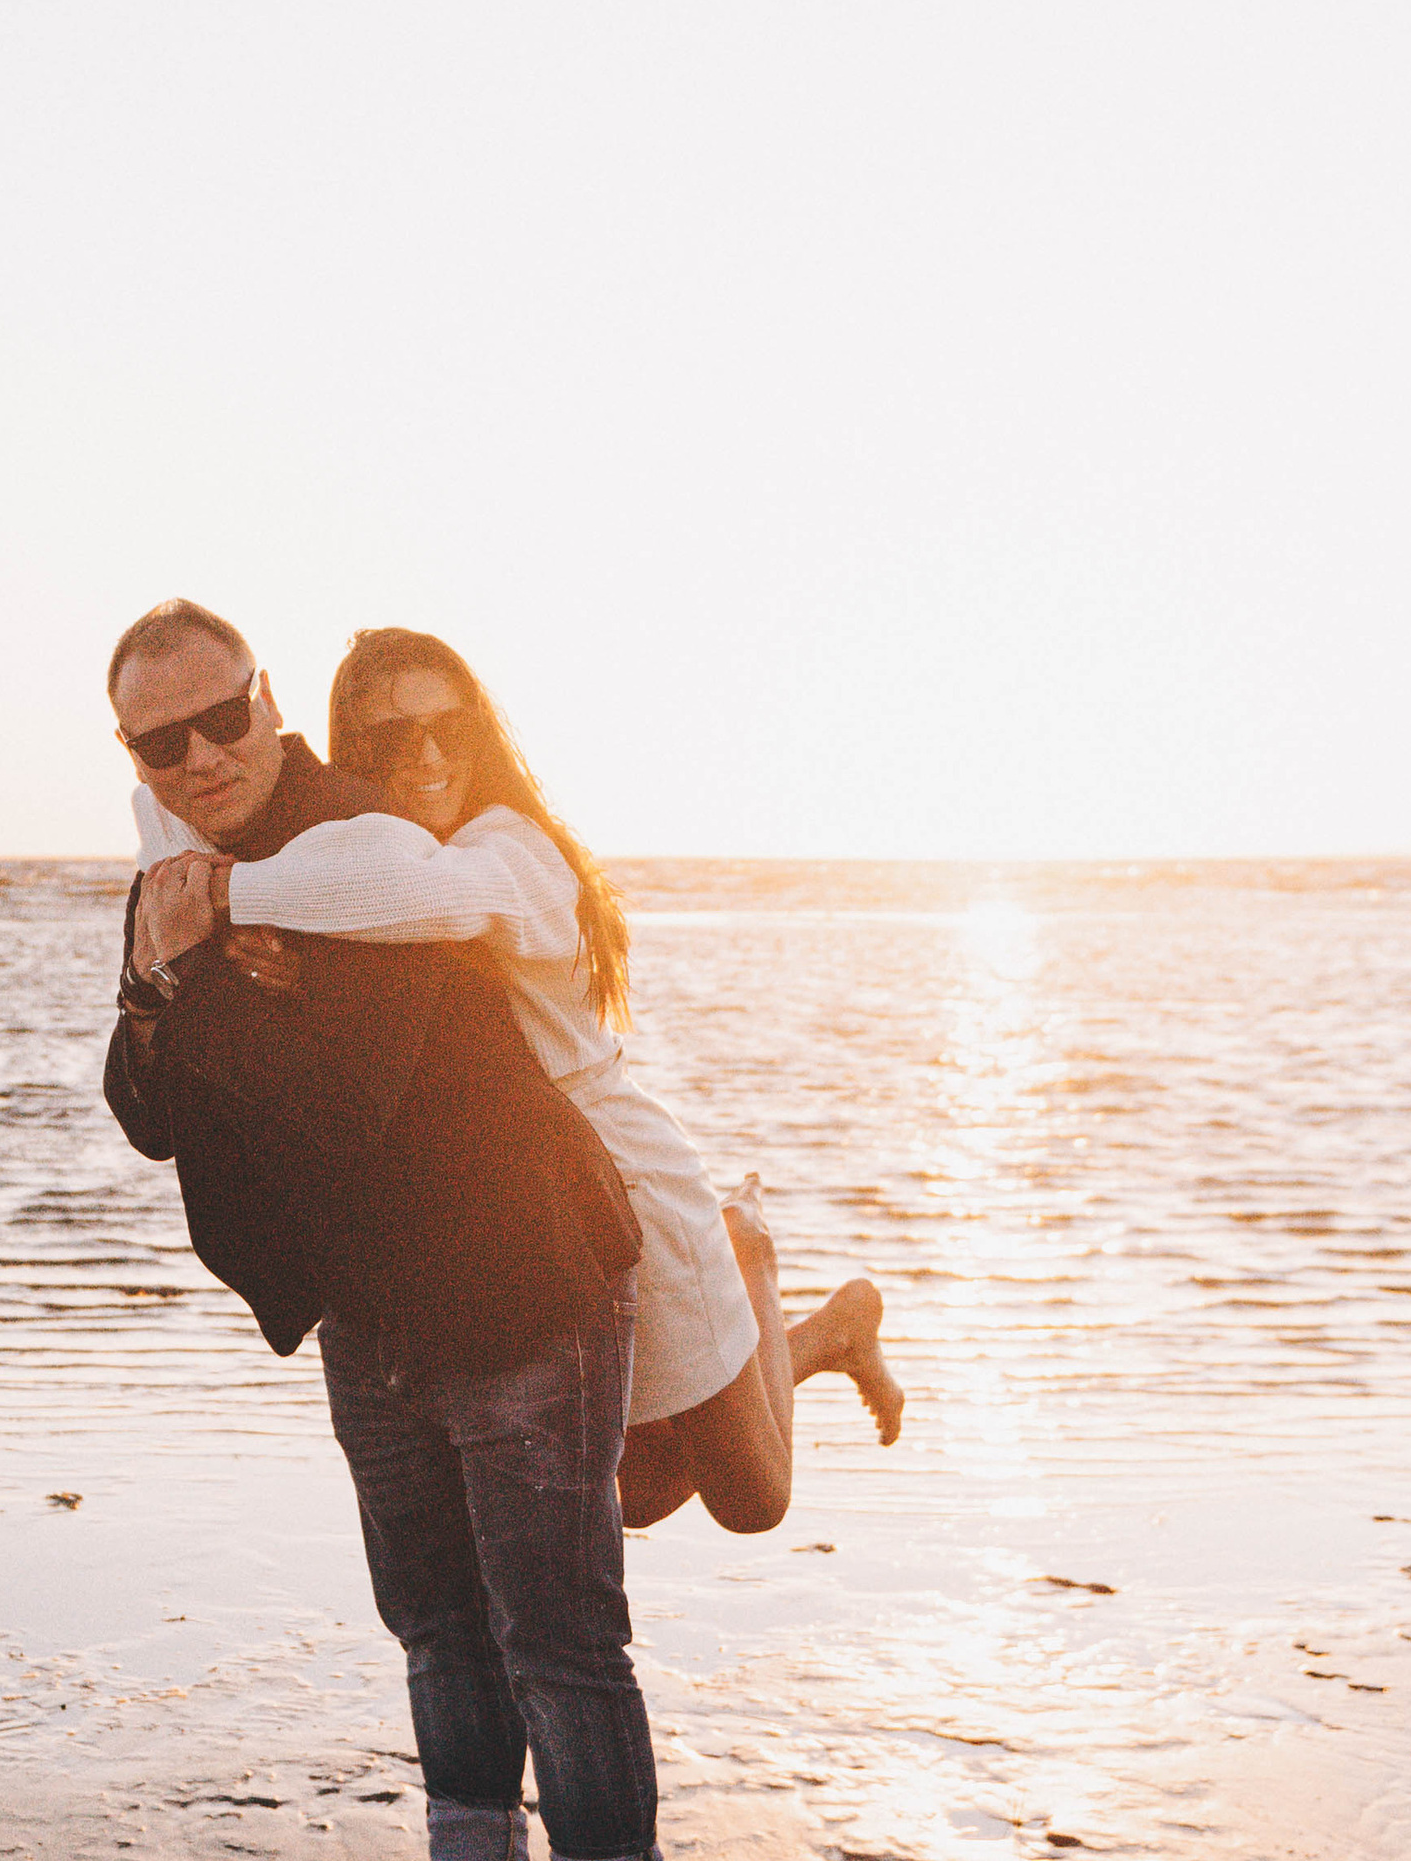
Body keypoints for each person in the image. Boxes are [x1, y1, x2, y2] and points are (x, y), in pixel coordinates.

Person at [101, 598, 664, 1861]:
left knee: (558, 1630)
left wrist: (201, 970)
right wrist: (170, 974)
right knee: (431, 1619)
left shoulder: (364, 847)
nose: (204, 754)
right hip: (373, 1303)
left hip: (521, 1272)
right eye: (164, 740)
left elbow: (341, 1096)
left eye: (226, 717)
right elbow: (146, 1105)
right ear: (133, 749)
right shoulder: (176, 878)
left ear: (268, 700)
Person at [139, 624, 902, 1541]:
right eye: (388, 738)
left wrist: (210, 896)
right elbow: (166, 819)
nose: (424, 756)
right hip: (536, 1206)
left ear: (481, 734)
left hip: (626, 1184)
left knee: (752, 1500)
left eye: (448, 729)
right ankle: (818, 1326)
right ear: (353, 749)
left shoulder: (509, 853)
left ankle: (759, 1259)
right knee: (629, 1494)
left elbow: (425, 900)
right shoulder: (354, 855)